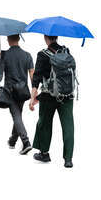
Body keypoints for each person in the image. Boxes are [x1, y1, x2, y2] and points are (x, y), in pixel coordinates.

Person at [29, 35, 75, 168]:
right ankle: (68, 159)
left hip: (49, 95)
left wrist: (33, 97)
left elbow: (36, 77)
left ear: (45, 37)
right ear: (57, 37)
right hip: (67, 95)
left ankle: (44, 153)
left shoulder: (42, 54)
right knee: (68, 126)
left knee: (44, 122)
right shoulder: (66, 52)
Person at [0, 34, 34, 155]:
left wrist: (0, 59)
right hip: (23, 91)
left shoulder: (5, 54)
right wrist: (34, 91)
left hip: (10, 92)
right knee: (17, 114)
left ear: (8, 40)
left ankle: (26, 142)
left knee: (16, 116)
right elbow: (32, 75)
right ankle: (12, 141)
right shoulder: (27, 55)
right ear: (18, 39)